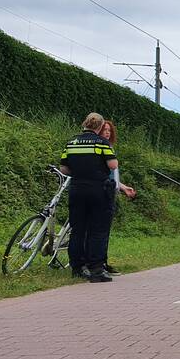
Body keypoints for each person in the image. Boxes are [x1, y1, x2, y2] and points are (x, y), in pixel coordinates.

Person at [59, 112, 119, 283]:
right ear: (99, 127)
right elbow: (112, 165)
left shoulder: (71, 142)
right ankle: (97, 269)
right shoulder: (102, 143)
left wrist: (79, 171)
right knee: (97, 229)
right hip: (98, 189)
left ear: (84, 123)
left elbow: (64, 168)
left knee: (78, 230)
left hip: (77, 188)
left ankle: (77, 268)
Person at [97, 120, 137, 274]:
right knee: (100, 231)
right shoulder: (101, 148)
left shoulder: (109, 148)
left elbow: (113, 175)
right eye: (104, 130)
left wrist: (123, 187)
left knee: (104, 231)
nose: (107, 133)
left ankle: (102, 261)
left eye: (109, 130)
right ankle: (99, 264)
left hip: (110, 190)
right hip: (102, 192)